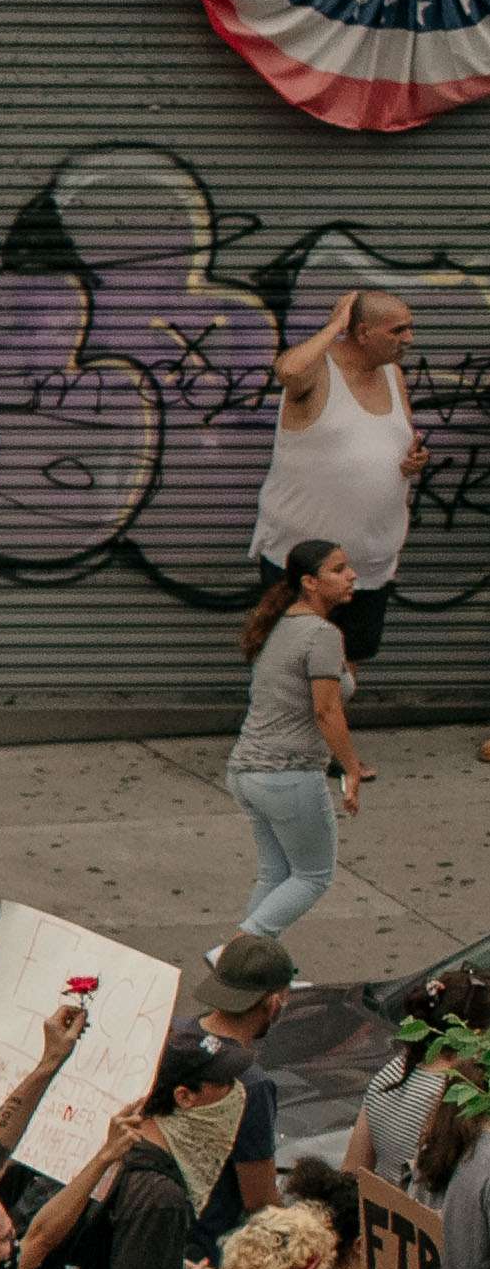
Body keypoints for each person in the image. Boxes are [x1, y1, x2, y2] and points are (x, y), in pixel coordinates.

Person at [262, 287, 420, 660]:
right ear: (362, 332)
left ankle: (332, 720)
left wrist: (411, 460)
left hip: (368, 563)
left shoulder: (393, 375)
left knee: (347, 665)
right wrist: (335, 325)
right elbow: (287, 370)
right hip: (305, 567)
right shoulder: (317, 372)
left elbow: (399, 440)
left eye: (409, 329)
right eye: (397, 331)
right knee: (291, 663)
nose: (408, 339)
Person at [236, 540, 367, 955]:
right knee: (313, 876)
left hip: (248, 771)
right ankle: (235, 956)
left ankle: (248, 976)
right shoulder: (320, 634)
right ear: (310, 583)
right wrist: (352, 769)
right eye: (339, 569)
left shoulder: (282, 623)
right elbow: (326, 712)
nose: (352, 576)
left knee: (276, 875)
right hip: (286, 775)